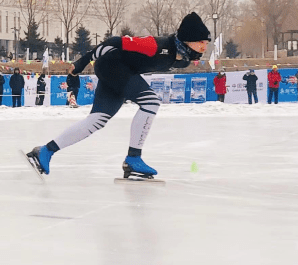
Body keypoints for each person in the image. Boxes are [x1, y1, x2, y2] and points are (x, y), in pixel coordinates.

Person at [26, 12, 212, 180]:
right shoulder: (156, 46)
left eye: (206, 43)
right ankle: (133, 157)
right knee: (151, 102)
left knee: (96, 120)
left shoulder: (182, 59)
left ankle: (45, 151)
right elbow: (114, 42)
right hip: (112, 66)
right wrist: (83, 61)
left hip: (119, 73)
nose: (204, 47)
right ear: (187, 40)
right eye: (201, 42)